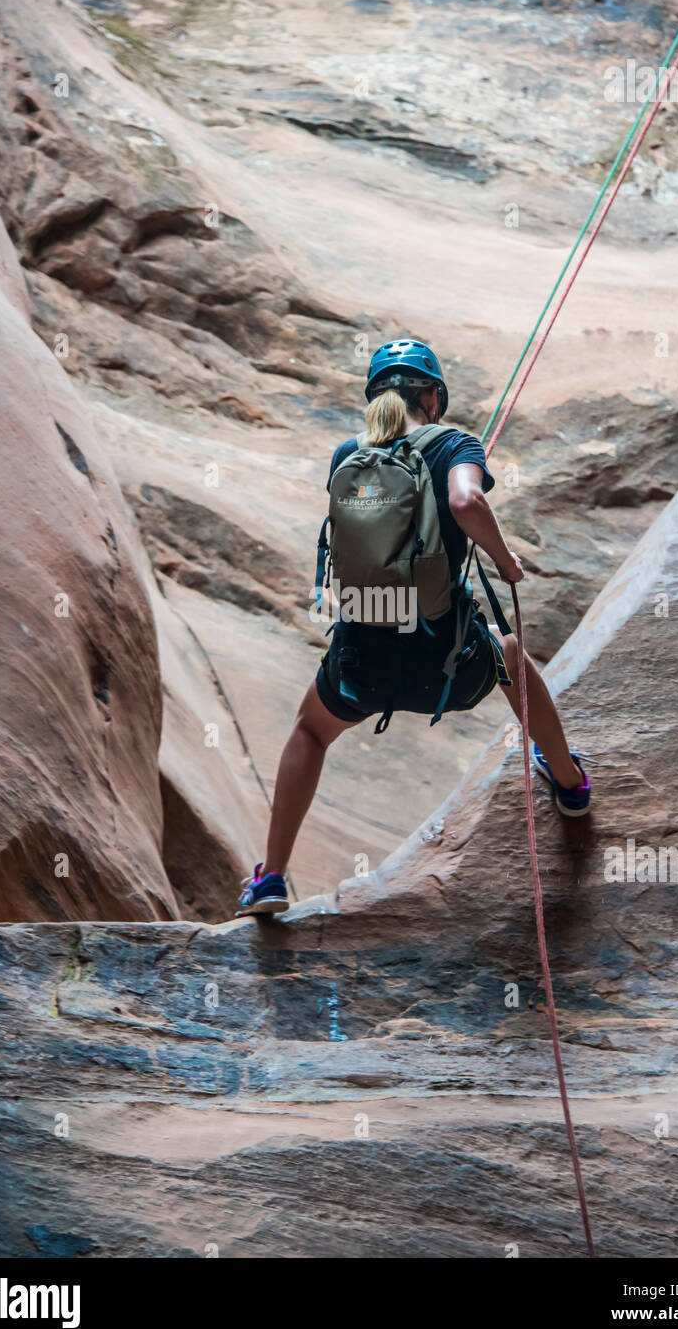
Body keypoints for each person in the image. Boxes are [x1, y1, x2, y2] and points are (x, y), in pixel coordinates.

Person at [236, 340, 591, 916]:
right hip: (447, 670)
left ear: (375, 396)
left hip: (361, 667)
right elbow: (466, 502)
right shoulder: (456, 443)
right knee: (508, 652)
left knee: (309, 732)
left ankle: (271, 877)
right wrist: (505, 560)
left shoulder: (346, 454)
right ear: (433, 396)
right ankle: (571, 783)